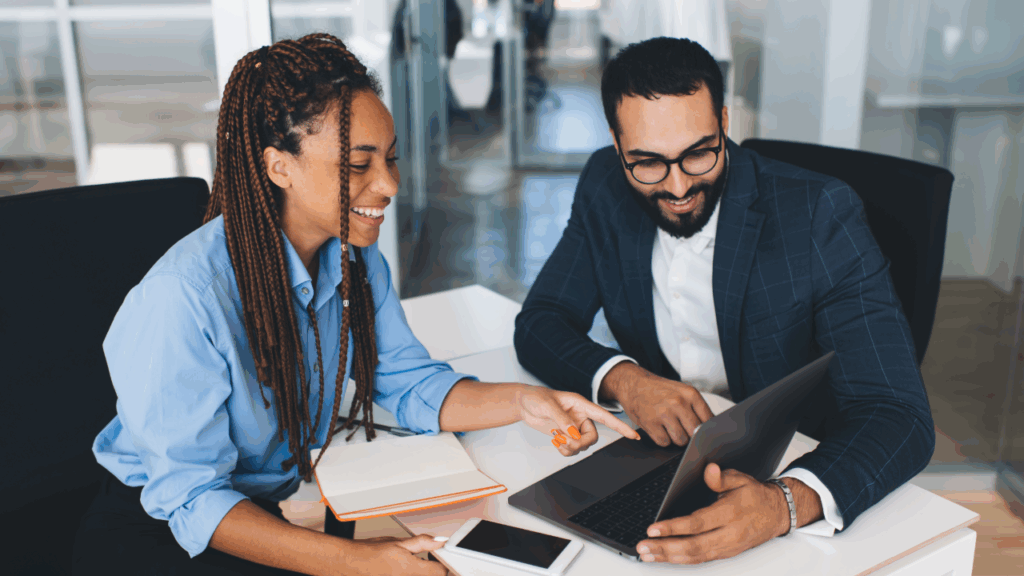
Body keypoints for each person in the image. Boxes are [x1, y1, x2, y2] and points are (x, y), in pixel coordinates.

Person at [72, 34, 637, 576]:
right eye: (358, 166)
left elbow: (409, 384)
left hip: (255, 511)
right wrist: (357, 562)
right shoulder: (183, 299)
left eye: (391, 159)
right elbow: (193, 499)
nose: (390, 185)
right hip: (159, 531)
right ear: (279, 167)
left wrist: (525, 401)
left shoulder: (353, 258)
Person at [513, 37, 935, 564]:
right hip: (668, 459)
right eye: (647, 163)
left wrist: (783, 504)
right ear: (618, 146)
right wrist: (627, 379)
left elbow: (898, 413)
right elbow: (540, 321)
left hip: (795, 464)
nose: (678, 187)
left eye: (698, 154)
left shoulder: (819, 215)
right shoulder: (604, 184)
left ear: (725, 123)